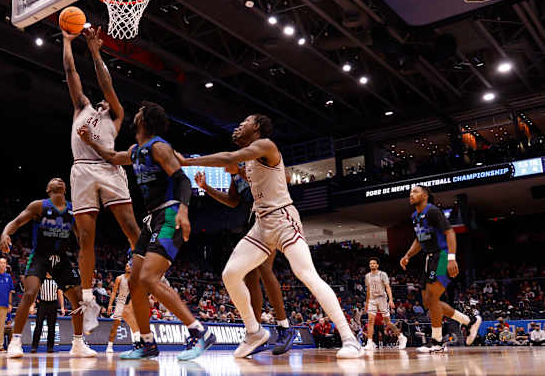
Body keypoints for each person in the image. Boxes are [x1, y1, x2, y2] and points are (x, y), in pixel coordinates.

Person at [178, 114, 363, 358]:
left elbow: (231, 157)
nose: (239, 125)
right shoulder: (250, 161)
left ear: (256, 127)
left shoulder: (266, 145)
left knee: (306, 274)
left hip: (283, 219)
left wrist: (188, 162)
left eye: (244, 122)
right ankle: (254, 332)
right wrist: (233, 175)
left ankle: (350, 339)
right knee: (231, 274)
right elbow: (241, 185)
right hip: (262, 224)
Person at [78, 101, 216, 360]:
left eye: (140, 111)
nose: (136, 112)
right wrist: (90, 142)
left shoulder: (159, 147)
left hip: (170, 215)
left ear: (145, 120)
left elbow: (182, 180)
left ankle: (199, 331)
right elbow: (111, 156)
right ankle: (147, 342)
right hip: (151, 219)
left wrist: (184, 212)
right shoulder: (135, 150)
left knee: (150, 278)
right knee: (135, 283)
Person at [63, 27, 141, 331]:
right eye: (101, 99)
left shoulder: (117, 114)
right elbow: (70, 72)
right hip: (82, 168)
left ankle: (152, 272)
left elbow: (106, 83)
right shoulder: (82, 107)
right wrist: (68, 42)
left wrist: (95, 51)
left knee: (131, 228)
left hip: (108, 167)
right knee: (85, 238)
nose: (104, 100)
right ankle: (88, 299)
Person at [194, 167, 294, 355]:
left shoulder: (263, 155)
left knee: (265, 269)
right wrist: (206, 187)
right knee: (249, 277)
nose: (235, 135)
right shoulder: (238, 167)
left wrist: (240, 171)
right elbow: (233, 201)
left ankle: (284, 327)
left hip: (272, 217)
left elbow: (285, 178)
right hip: (251, 222)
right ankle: (255, 333)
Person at [0, 177, 95, 358]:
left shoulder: (73, 209)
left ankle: (78, 343)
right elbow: (17, 222)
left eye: (61, 179)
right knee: (30, 292)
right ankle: (15, 341)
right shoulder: (39, 206)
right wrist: (5, 233)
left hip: (62, 258)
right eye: (54, 179)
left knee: (78, 298)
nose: (59, 179)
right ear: (48, 189)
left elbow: (81, 237)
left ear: (65, 189)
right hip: (40, 256)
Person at [400, 185, 482, 353]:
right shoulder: (415, 216)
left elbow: (450, 232)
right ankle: (470, 321)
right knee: (428, 302)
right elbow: (419, 239)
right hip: (429, 259)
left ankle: (437, 342)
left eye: (415, 191)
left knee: (432, 297)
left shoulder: (433, 211)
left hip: (442, 256)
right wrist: (408, 255)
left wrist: (452, 257)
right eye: (410, 192)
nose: (411, 194)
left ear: (425, 195)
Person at [364, 257, 407, 350]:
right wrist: (367, 303)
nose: (372, 265)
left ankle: (401, 337)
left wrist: (390, 300)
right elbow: (368, 290)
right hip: (372, 299)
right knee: (370, 320)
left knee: (387, 322)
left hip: (382, 299)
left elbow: (387, 287)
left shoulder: (382, 274)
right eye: (370, 263)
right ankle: (369, 342)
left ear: (377, 265)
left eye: (374, 263)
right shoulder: (367, 276)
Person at [106, 262, 140, 354]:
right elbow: (113, 292)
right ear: (125, 268)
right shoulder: (119, 278)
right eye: (127, 265)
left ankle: (137, 345)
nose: (128, 267)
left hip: (130, 304)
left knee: (134, 326)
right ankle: (109, 346)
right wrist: (110, 305)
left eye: (130, 265)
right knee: (115, 326)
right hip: (120, 303)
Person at [30, 273, 65, 353]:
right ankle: (34, 347)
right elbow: (35, 293)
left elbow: (60, 294)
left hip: (53, 304)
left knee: (52, 327)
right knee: (38, 325)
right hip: (42, 304)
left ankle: (50, 347)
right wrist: (32, 305)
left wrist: (62, 307)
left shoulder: (56, 279)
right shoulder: (41, 279)